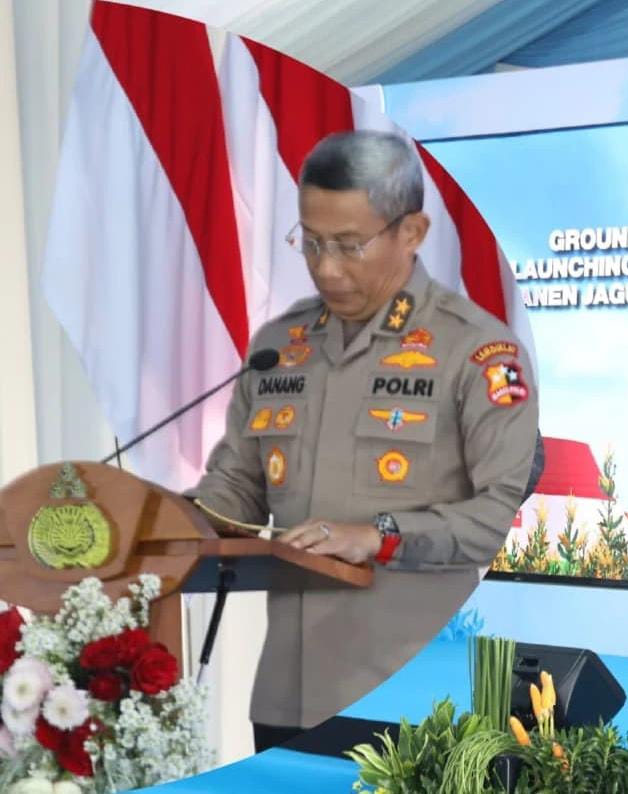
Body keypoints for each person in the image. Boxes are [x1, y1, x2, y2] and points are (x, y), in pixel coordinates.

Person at [186, 130, 540, 752]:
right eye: (311, 242)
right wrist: (170, 517)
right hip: (289, 693)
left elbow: (494, 517)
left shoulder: (476, 350)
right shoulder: (280, 345)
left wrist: (378, 536)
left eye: (349, 245)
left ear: (412, 232)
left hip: (414, 699)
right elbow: (237, 485)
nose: (326, 268)